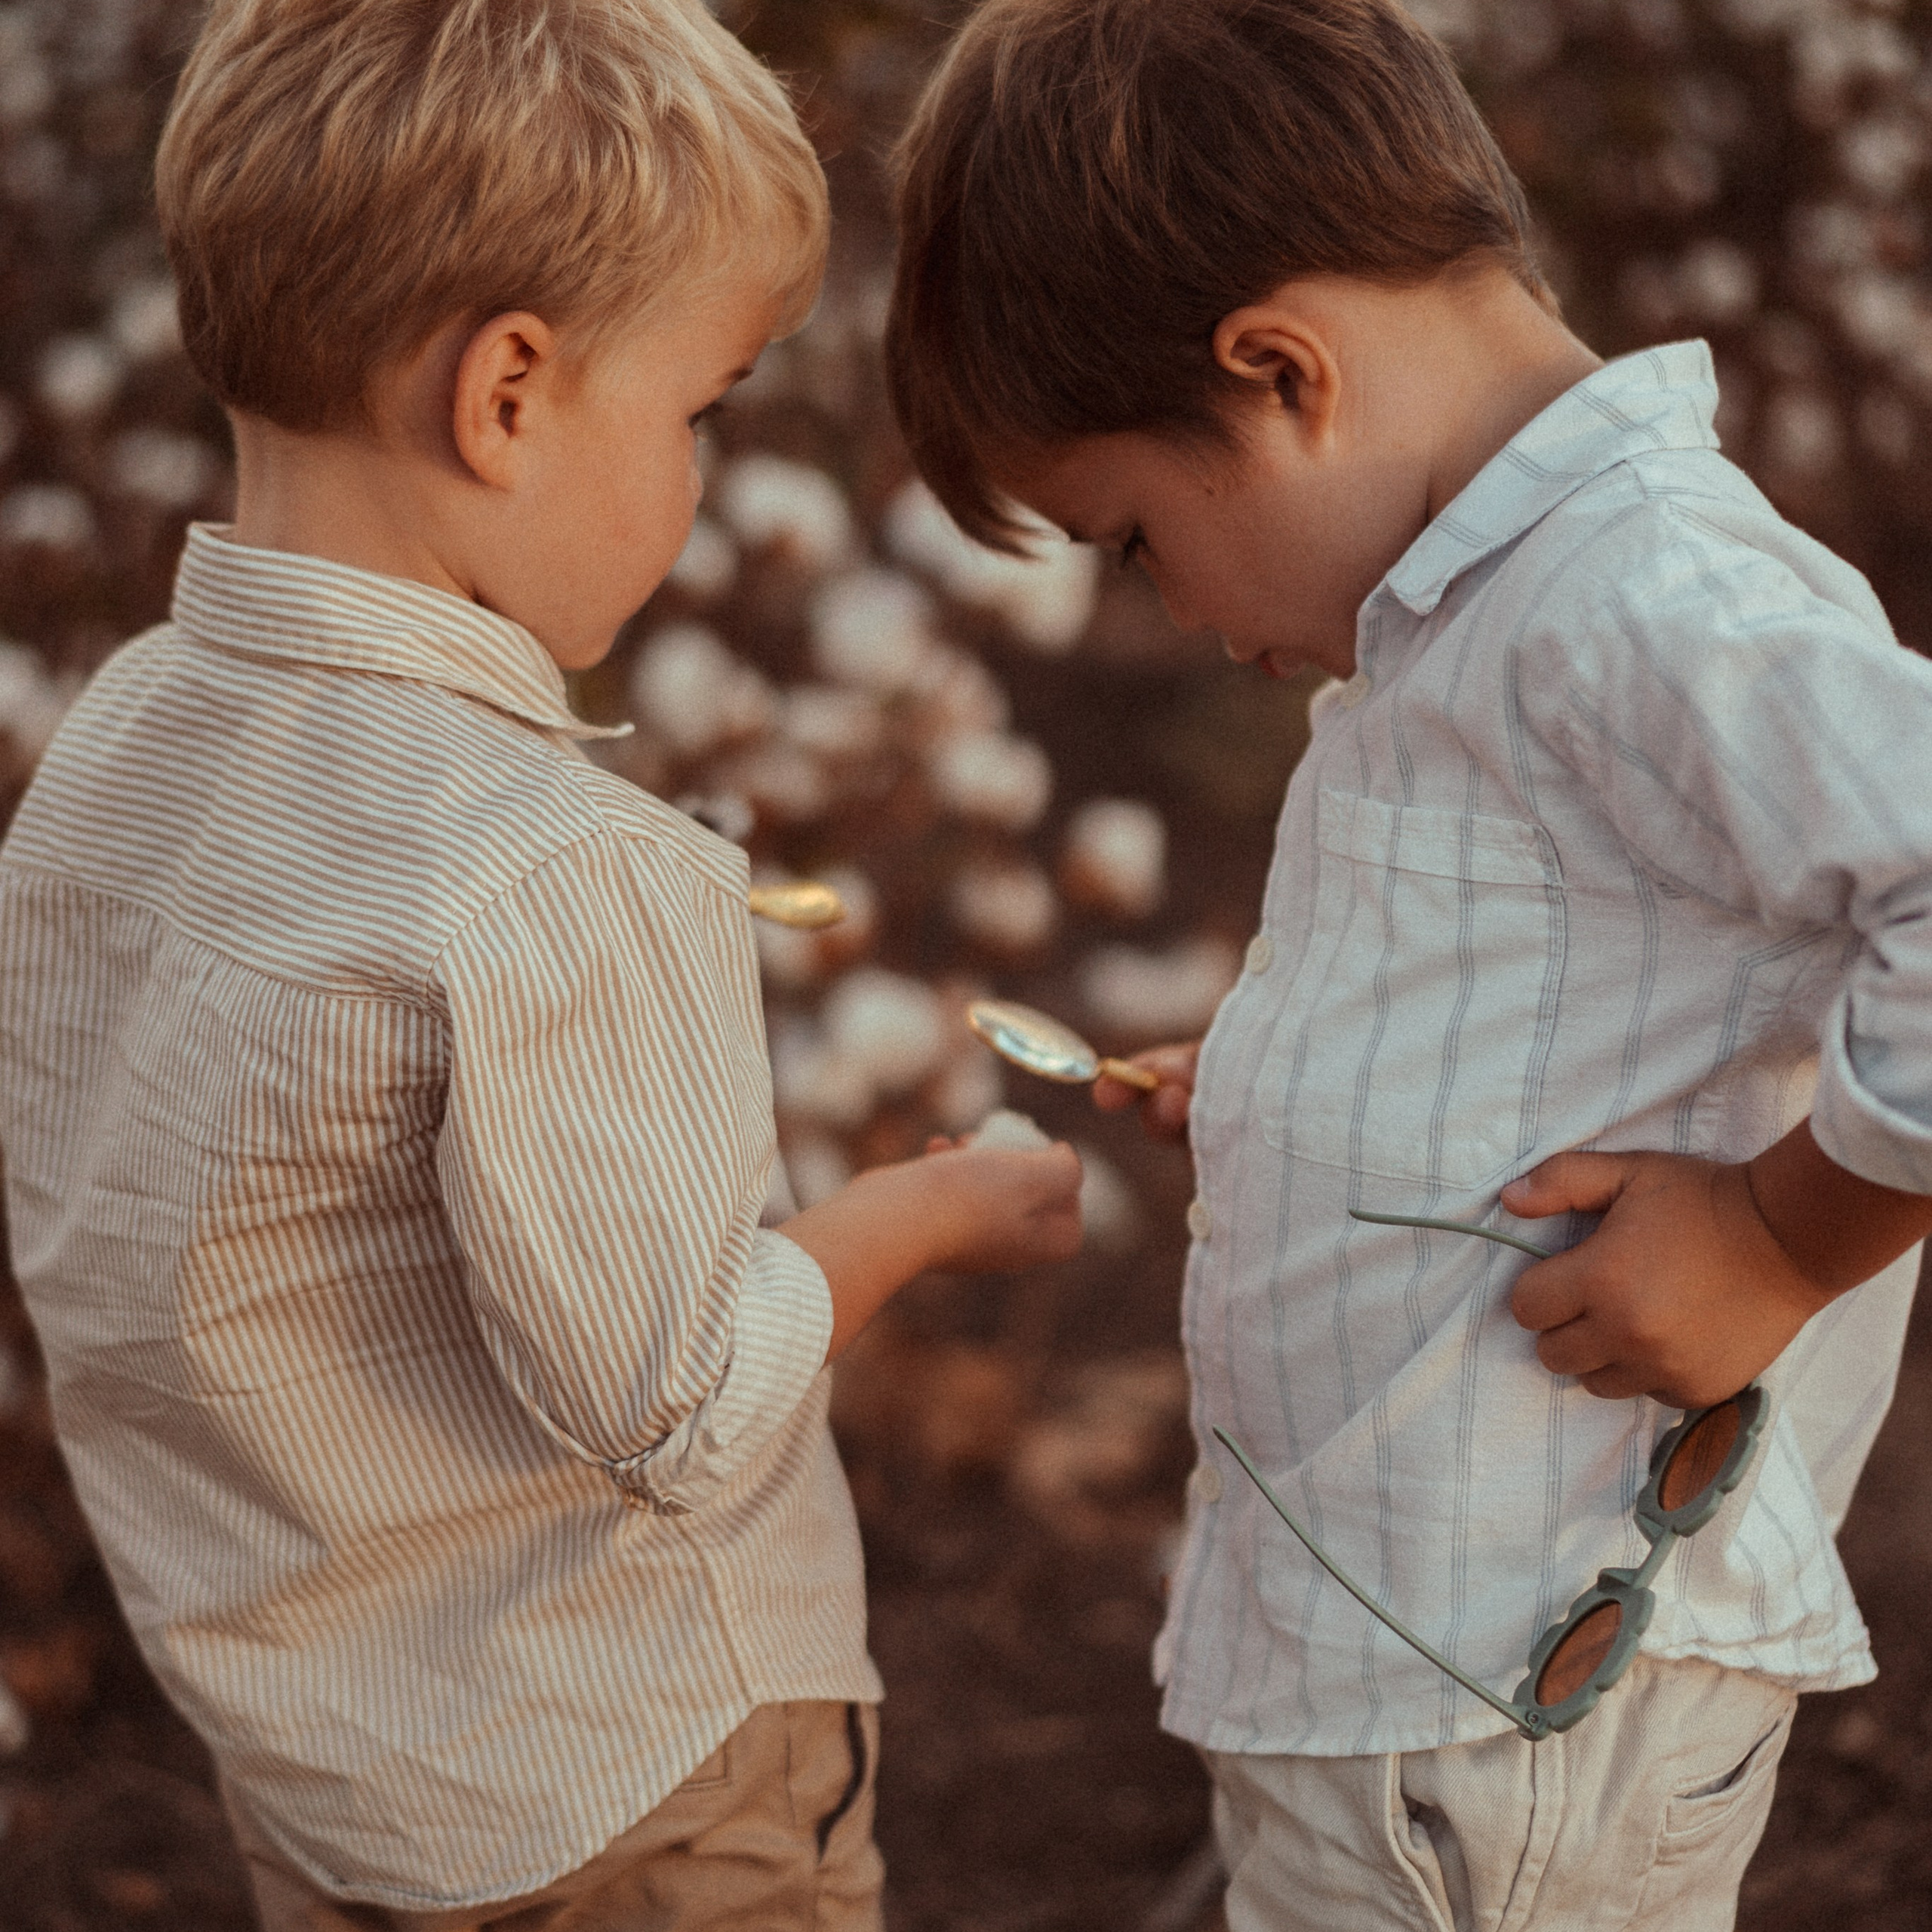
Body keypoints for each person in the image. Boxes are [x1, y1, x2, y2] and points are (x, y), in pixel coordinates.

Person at [0, 3, 1084, 1927]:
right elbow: (676, 1403)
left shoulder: (113, 752)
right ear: (507, 393)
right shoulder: (555, 870)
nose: (693, 475)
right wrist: (927, 1210)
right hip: (638, 1788)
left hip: (322, 1776)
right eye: (698, 413)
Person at [884, 2, 1932, 1926]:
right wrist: (1305, 1086)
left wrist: (1785, 1232)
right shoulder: (1466, 609)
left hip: (1519, 1701)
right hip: (1404, 1672)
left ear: (1281, 372)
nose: (1178, 613)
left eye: (1129, 538)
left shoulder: (1633, 595)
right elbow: (1547, 974)